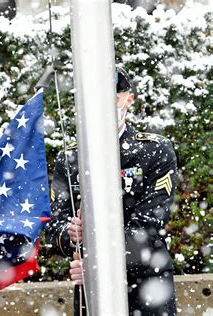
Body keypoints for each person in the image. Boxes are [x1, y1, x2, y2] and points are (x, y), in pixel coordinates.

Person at [46, 67, 178, 315]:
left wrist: (97, 263)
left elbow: (149, 225)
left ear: (129, 99)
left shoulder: (154, 150)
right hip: (91, 288)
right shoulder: (70, 157)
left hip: (147, 283)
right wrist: (70, 234)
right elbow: (54, 227)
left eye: (113, 98)